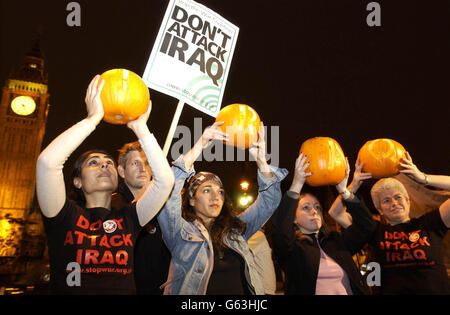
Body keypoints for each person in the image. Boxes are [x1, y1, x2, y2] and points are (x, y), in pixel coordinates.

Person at [35, 75, 174, 294]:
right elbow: (47, 163)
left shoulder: (128, 217)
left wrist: (140, 128)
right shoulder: (62, 216)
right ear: (77, 181)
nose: (104, 165)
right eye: (94, 162)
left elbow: (165, 181)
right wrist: (92, 120)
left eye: (109, 162)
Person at [157, 121, 288, 295]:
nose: (215, 196)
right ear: (191, 200)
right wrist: (201, 144)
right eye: (206, 190)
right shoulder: (179, 232)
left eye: (220, 192)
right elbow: (169, 189)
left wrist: (261, 160)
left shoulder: (235, 230)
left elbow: (269, 202)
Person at [271, 153, 376, 295]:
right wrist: (297, 183)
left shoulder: (336, 242)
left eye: (317, 207)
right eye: (305, 207)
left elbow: (367, 226)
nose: (314, 211)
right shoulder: (292, 250)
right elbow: (280, 232)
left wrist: (345, 192)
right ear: (293, 218)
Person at [366, 152, 450, 294]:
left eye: (398, 197)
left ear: (408, 202)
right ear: (380, 210)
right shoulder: (374, 231)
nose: (394, 203)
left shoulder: (429, 224)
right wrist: (348, 189)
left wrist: (423, 178)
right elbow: (335, 213)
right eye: (386, 201)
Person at [112, 141, 171, 295]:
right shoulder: (112, 206)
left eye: (146, 163)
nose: (142, 168)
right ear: (122, 171)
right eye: (135, 163)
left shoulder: (165, 207)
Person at [247, 229, 277, 294]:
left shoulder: (255, 235)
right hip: (264, 289)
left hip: (263, 289)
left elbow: (240, 251)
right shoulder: (253, 234)